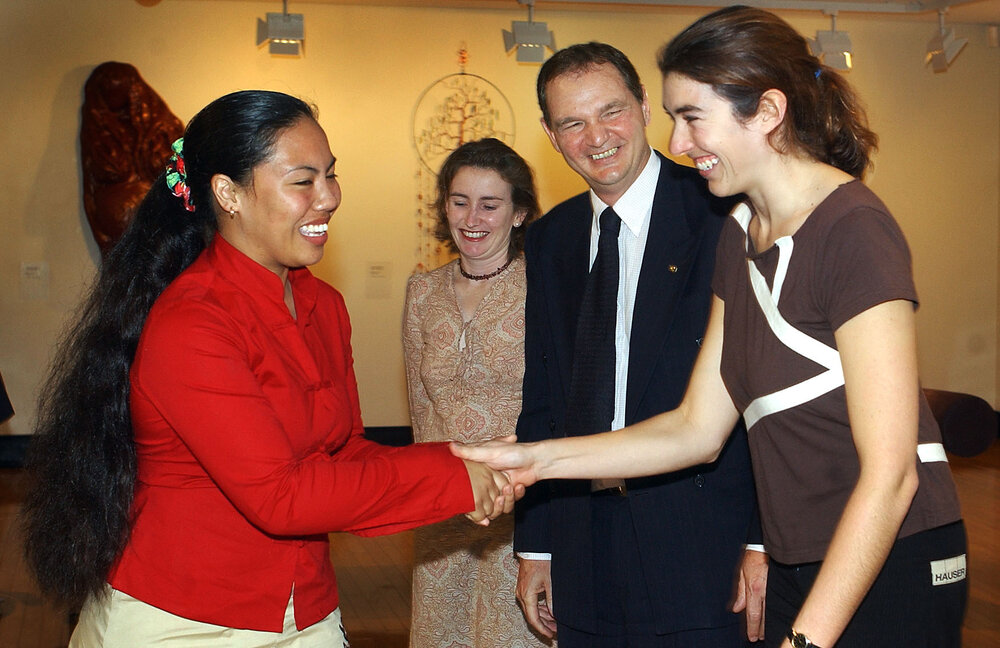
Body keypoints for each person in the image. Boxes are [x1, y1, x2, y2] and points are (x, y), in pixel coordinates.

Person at [454, 8, 968, 648]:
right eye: (673, 117)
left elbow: (892, 476)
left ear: (767, 111)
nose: (677, 142)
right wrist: (530, 460)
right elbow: (696, 428)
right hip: (800, 555)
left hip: (891, 554)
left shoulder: (853, 228)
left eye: (692, 117)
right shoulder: (739, 234)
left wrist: (804, 641)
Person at [21, 89, 512, 647]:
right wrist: (453, 482)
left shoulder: (323, 305)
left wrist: (461, 460)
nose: (328, 197)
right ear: (229, 194)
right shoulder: (192, 320)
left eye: (330, 175)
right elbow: (281, 496)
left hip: (302, 606)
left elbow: (344, 451)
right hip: (182, 618)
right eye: (303, 181)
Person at [505, 42, 764, 647]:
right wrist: (536, 544)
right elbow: (543, 395)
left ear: (646, 106)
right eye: (572, 122)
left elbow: (761, 393)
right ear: (550, 132)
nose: (596, 136)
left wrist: (761, 540)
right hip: (581, 544)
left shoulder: (723, 212)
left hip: (706, 543)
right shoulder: (549, 241)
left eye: (611, 111)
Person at [403, 138, 547, 647]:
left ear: (519, 212)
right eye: (460, 201)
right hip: (444, 510)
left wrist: (547, 528)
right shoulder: (422, 292)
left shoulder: (544, 289)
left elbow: (558, 410)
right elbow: (421, 411)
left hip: (521, 507)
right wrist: (423, 496)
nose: (473, 217)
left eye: (490, 204)